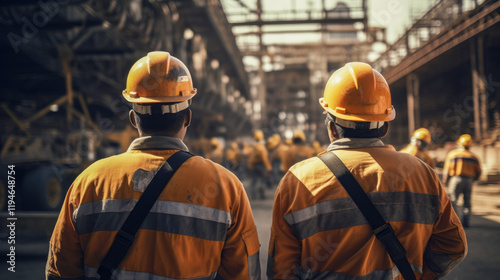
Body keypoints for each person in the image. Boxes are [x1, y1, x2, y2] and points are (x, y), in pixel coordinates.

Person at [46, 51, 261, 280]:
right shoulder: (226, 186)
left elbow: (60, 271)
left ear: (132, 118)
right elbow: (243, 273)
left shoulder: (88, 182)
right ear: (187, 118)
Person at [267, 62, 467, 279]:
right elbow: (453, 246)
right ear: (385, 126)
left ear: (331, 128)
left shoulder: (297, 180)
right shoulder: (423, 174)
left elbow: (282, 269)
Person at [442, 134, 482, 228]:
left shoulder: (453, 154)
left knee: (452, 200)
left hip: (456, 179)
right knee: (467, 201)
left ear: (459, 143)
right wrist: (473, 180)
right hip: (469, 180)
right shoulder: (474, 157)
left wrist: (445, 181)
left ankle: (455, 222)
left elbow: (446, 170)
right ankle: (466, 221)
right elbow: (479, 172)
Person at [247, 130, 272, 199]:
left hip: (254, 166)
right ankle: (261, 194)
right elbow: (265, 159)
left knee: (254, 181)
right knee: (262, 180)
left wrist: (250, 167)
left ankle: (253, 195)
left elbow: (250, 159)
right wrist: (269, 168)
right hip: (261, 165)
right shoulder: (262, 148)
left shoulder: (252, 147)